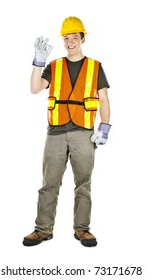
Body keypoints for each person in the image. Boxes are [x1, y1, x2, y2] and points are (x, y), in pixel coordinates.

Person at [23, 16, 111, 247]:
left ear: (83, 39)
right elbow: (34, 89)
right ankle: (42, 230)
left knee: (83, 184)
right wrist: (38, 62)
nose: (70, 42)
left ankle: (82, 229)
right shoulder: (54, 66)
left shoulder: (95, 66)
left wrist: (105, 127)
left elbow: (103, 98)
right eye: (66, 38)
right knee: (49, 183)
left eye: (74, 37)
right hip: (55, 133)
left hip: (84, 133)